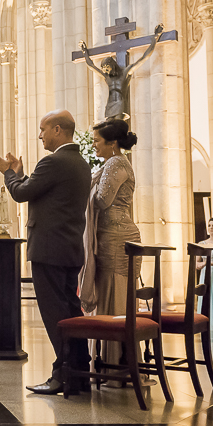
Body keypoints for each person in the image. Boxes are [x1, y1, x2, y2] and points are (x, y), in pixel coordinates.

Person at [0, 110, 92, 395]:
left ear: (58, 130)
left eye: (43, 129)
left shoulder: (53, 162)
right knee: (71, 312)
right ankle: (79, 373)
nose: (40, 135)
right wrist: (21, 175)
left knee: (55, 315)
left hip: (49, 249)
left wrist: (9, 173)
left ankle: (63, 375)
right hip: (70, 248)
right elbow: (38, 191)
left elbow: (21, 194)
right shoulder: (80, 163)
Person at [78, 119, 140, 372]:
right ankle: (113, 360)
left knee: (114, 294)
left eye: (96, 141)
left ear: (112, 143)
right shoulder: (113, 163)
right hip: (111, 233)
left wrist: (83, 189)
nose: (93, 145)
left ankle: (114, 362)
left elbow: (103, 200)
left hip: (116, 237)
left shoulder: (116, 163)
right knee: (110, 292)